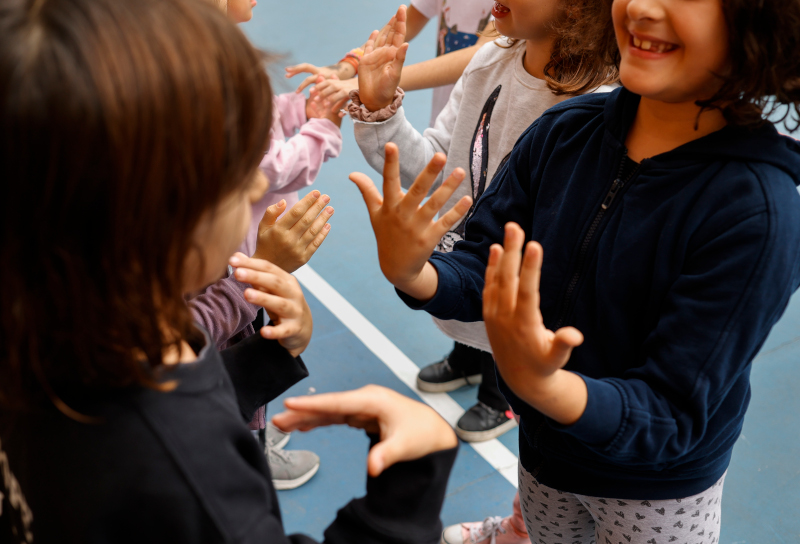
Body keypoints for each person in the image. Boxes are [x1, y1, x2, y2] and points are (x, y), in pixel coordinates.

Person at [0, 0, 459, 542]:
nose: (256, 186)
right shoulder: (191, 473)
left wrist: (263, 358)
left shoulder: (43, 331)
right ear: (158, 215)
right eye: (236, 167)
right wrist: (407, 494)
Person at [350, 0, 800, 540]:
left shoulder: (756, 211)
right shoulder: (564, 132)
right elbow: (484, 262)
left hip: (655, 492)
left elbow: (672, 412)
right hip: (546, 457)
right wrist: (416, 273)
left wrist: (545, 386)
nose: (639, 6)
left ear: (759, 27)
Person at [346, 2, 616, 447]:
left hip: (529, 300)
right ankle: (468, 358)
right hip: (466, 269)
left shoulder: (596, 106)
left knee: (509, 354)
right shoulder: (489, 60)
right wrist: (380, 109)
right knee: (469, 315)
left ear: (580, 6)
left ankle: (499, 394)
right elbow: (440, 163)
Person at [190, 0, 345, 491]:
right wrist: (321, 131)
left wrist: (301, 109)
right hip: (238, 262)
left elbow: (258, 127)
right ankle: (248, 452)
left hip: (238, 265)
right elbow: (267, 165)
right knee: (241, 352)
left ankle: (250, 433)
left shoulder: (192, 55)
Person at [286, 2, 495, 127]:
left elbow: (480, 54)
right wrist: (348, 66)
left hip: (489, 120)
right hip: (448, 117)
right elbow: (406, 24)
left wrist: (370, 83)